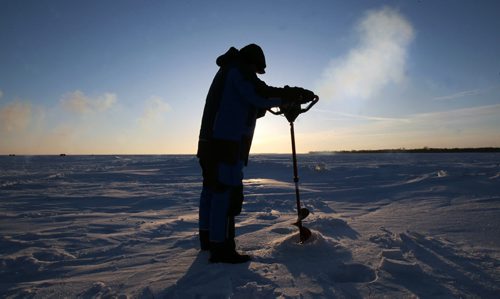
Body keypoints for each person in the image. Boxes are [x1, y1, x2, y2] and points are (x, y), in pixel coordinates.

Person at [197, 44, 317, 263]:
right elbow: (259, 95)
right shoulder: (238, 70)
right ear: (252, 62)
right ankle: (222, 249)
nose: (255, 74)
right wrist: (290, 95)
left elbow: (252, 103)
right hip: (226, 145)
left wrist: (284, 96)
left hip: (210, 144)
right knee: (225, 194)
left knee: (212, 192)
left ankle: (209, 241)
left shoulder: (228, 71)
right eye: (256, 70)